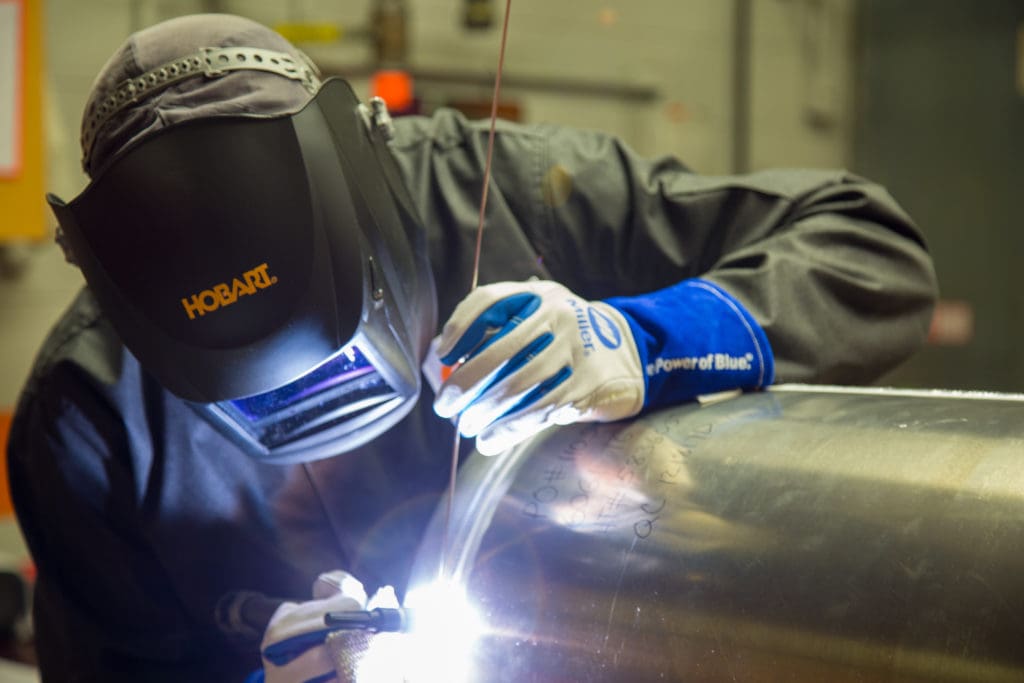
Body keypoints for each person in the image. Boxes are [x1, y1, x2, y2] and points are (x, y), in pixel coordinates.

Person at [6, 12, 937, 683]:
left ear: (365, 185)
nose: (320, 398)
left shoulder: (506, 194)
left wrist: (642, 339)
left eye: (337, 347)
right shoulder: (86, 414)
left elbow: (873, 251)